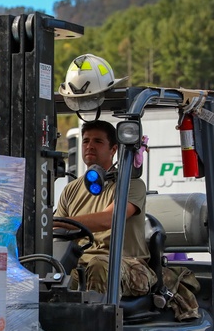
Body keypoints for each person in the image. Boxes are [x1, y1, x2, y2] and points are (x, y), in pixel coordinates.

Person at [55, 119, 156, 296]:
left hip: (128, 265)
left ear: (113, 149)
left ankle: (96, 322)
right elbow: (57, 230)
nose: (90, 146)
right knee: (48, 273)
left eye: (98, 141)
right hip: (82, 265)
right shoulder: (71, 190)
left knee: (99, 265)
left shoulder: (130, 184)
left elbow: (109, 219)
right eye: (86, 141)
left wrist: (59, 222)